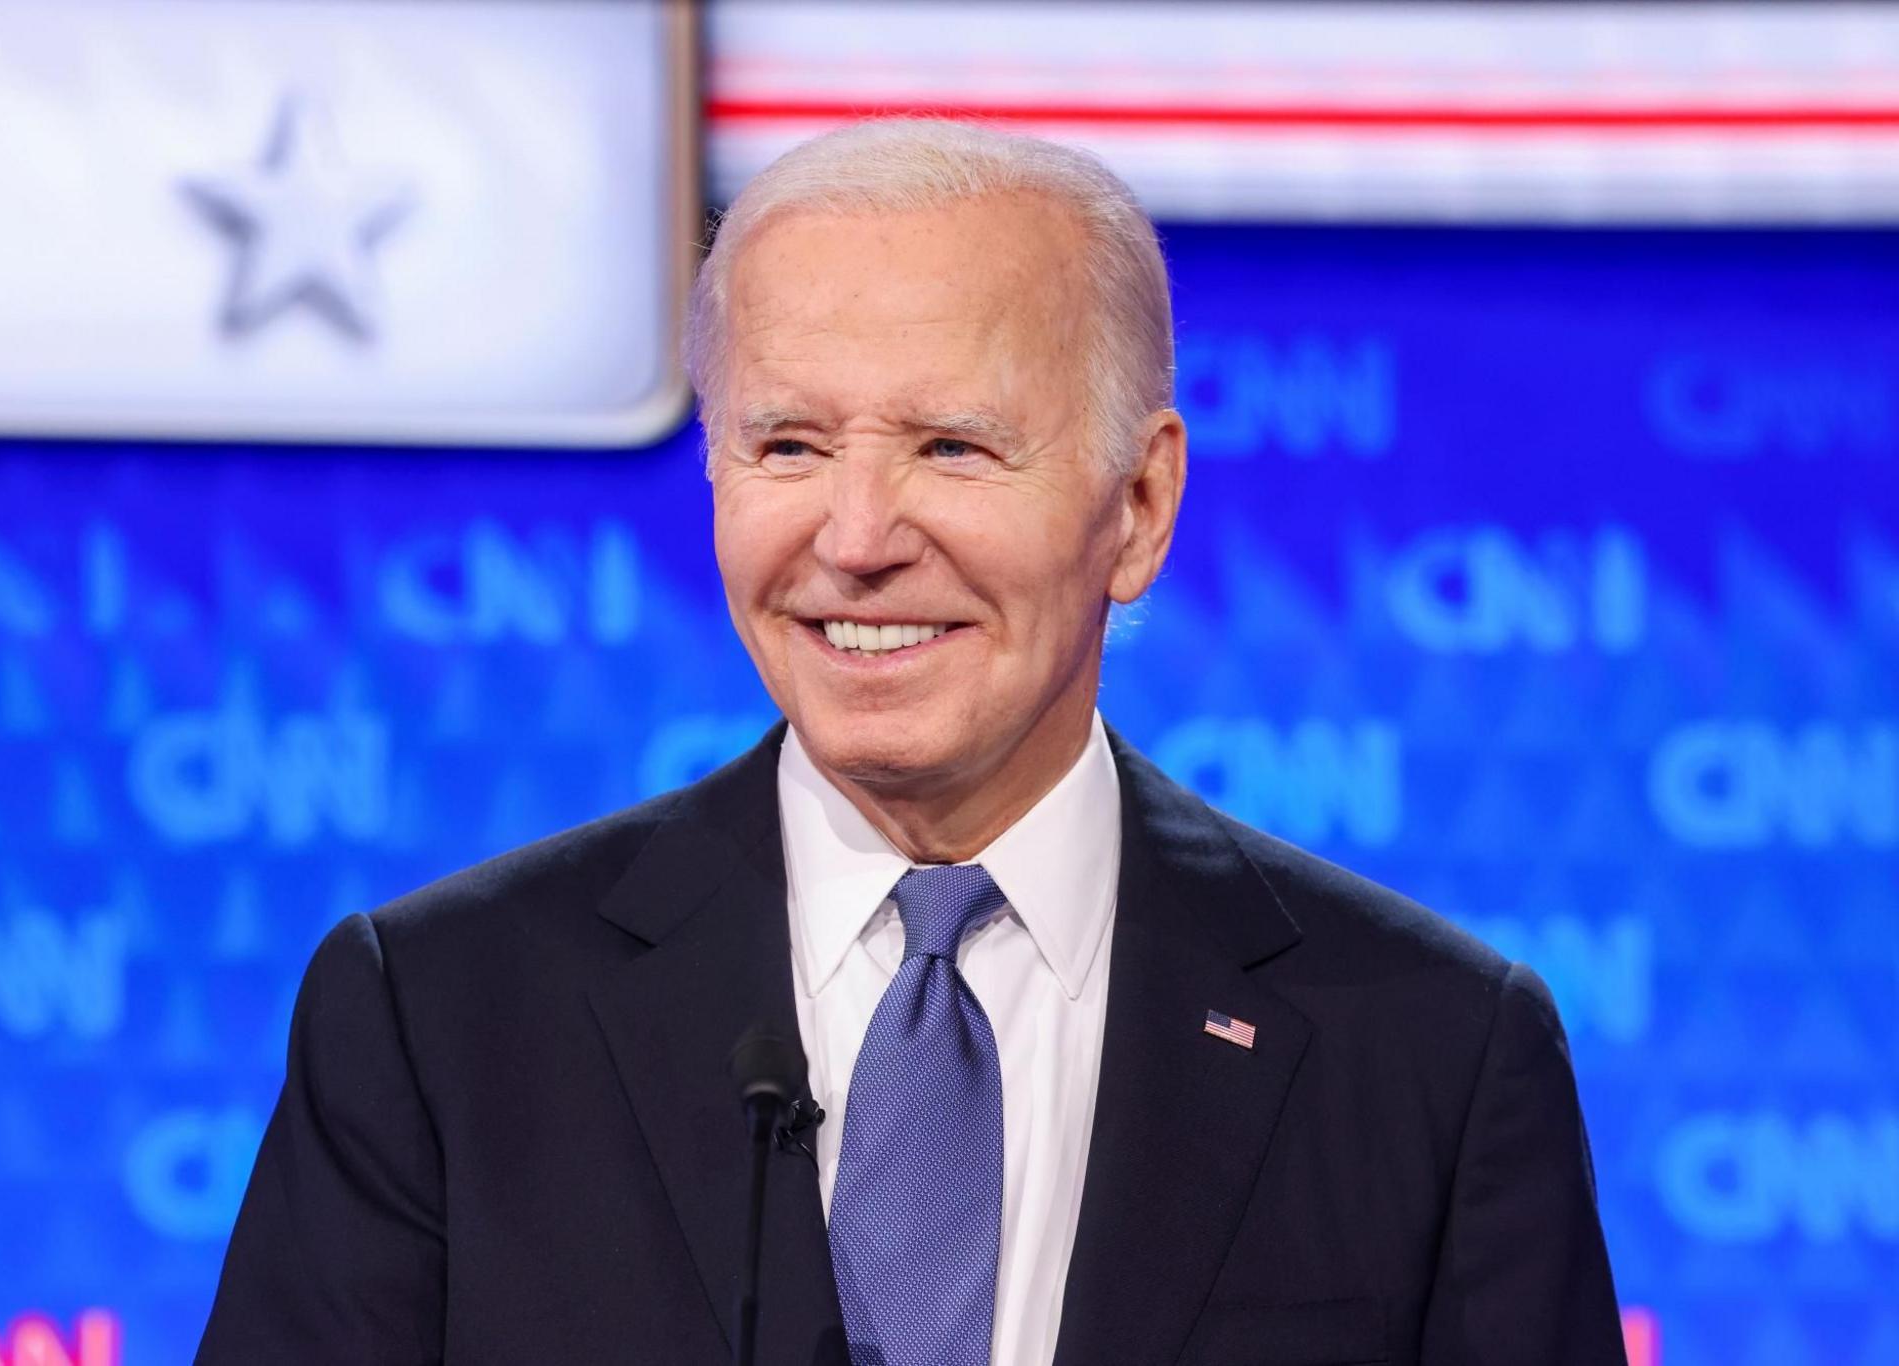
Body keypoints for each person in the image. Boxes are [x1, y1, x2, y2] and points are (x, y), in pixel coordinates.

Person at [196, 118, 1627, 1366]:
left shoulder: (1431, 1055)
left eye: (952, 446)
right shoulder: (439, 1021)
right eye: (789, 446)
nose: (858, 538)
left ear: (1137, 504)